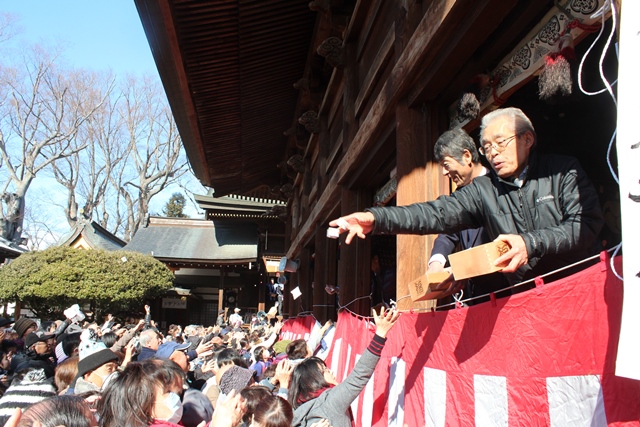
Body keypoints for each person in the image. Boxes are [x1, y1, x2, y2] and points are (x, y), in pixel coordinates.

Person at [330, 107, 604, 285]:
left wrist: (530, 243)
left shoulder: (562, 170)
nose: (494, 152)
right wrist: (375, 218)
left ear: (527, 139)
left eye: (501, 143)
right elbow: (433, 214)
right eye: (487, 147)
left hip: (579, 285)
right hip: (525, 300)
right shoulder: (483, 190)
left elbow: (586, 226)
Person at [428, 128, 510, 302]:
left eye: (446, 164)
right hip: (478, 296)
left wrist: (462, 269)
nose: (444, 172)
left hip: (507, 291)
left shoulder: (501, 186)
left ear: (467, 156)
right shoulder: (458, 197)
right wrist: (436, 263)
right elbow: (447, 234)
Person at [289, 307, 399, 426]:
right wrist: (380, 335)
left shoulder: (298, 412)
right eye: (324, 370)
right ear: (314, 380)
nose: (330, 371)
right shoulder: (330, 401)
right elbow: (359, 375)